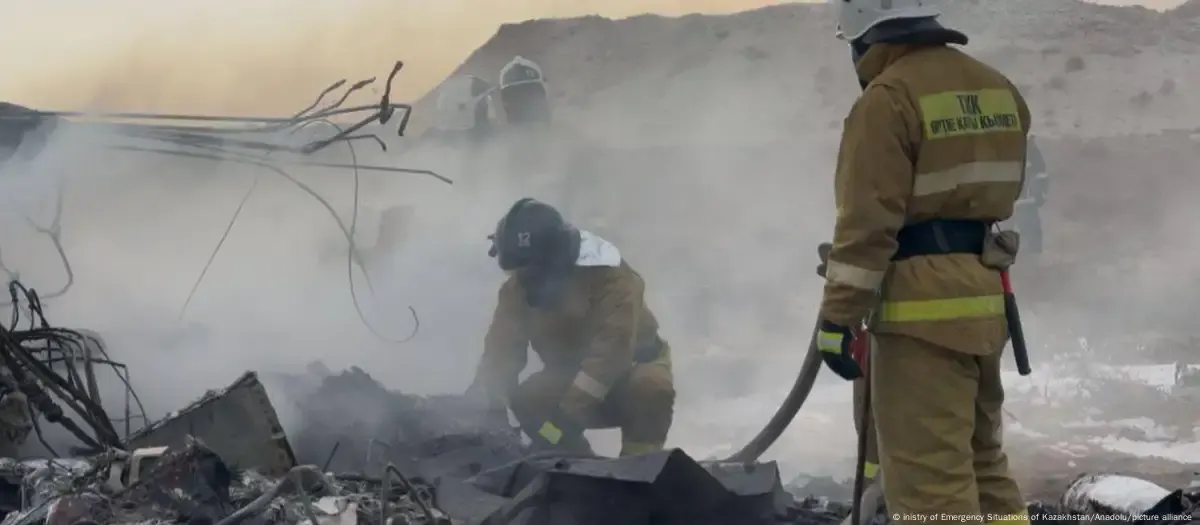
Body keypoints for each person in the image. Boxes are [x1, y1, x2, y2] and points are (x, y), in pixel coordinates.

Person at [816, 1, 1031, 524]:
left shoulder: (888, 99)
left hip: (920, 316)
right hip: (984, 300)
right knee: (984, 465)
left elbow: (867, 226)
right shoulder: (997, 88)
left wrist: (837, 320)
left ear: (864, 37)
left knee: (930, 486)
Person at [466, 198, 675, 457]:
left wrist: (565, 418)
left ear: (556, 262)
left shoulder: (610, 276)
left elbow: (610, 357)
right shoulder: (517, 289)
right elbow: (501, 352)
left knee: (651, 389)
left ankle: (638, 468)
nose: (523, 280)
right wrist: (487, 401)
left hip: (630, 374)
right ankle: (574, 464)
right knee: (530, 402)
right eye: (517, 271)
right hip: (574, 378)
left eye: (531, 271)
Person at [1011, 136, 1048, 256]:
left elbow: (1041, 174)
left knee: (1030, 228)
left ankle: (1032, 255)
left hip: (1025, 201)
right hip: (1013, 201)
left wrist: (1040, 194)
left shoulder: (1031, 151)